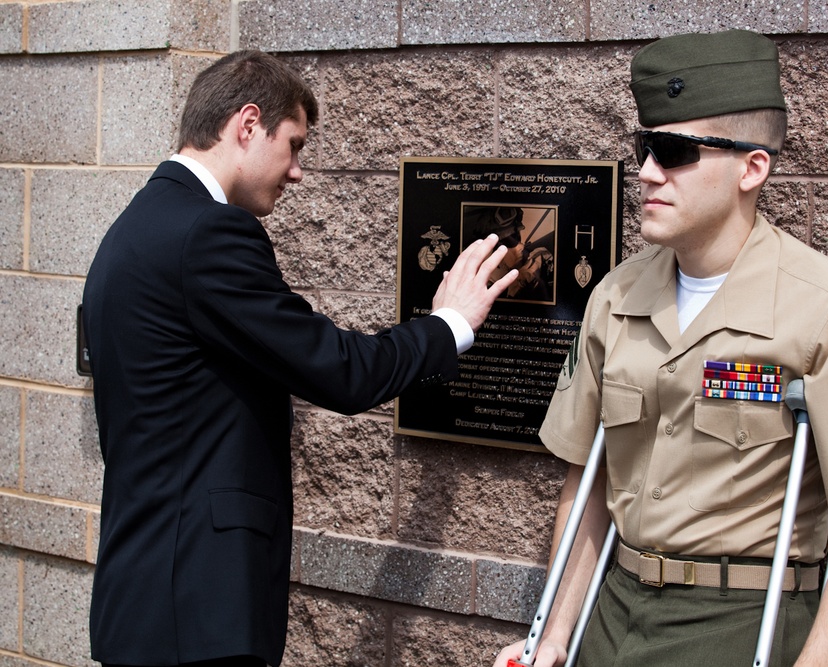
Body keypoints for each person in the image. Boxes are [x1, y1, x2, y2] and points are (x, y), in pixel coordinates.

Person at [82, 50, 517, 667]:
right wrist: (449, 325)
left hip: (146, 600)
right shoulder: (209, 233)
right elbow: (338, 370)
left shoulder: (135, 225)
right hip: (198, 613)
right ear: (248, 124)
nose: (297, 173)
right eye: (294, 145)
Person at [494, 30, 828, 667]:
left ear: (753, 167)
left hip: (740, 625)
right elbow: (588, 484)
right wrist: (551, 638)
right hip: (612, 617)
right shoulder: (616, 296)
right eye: (644, 148)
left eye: (675, 151)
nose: (647, 173)